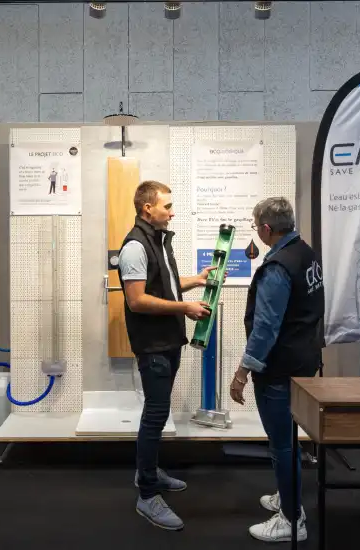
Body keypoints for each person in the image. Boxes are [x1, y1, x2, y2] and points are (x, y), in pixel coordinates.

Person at [118, 180, 217, 531]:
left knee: (158, 415)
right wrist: (185, 307)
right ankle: (146, 494)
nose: (172, 212)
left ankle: (149, 471)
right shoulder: (135, 246)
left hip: (169, 342)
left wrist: (197, 280)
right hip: (154, 346)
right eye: (167, 206)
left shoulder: (159, 240)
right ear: (148, 208)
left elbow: (168, 285)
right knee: (155, 415)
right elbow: (137, 300)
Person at [229, 196, 324, 543]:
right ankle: (288, 496)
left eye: (257, 228)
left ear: (267, 229)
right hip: (302, 360)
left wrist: (242, 373)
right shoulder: (305, 253)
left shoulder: (277, 268)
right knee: (286, 441)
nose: (257, 232)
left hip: (280, 368)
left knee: (281, 444)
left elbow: (265, 329)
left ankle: (291, 518)